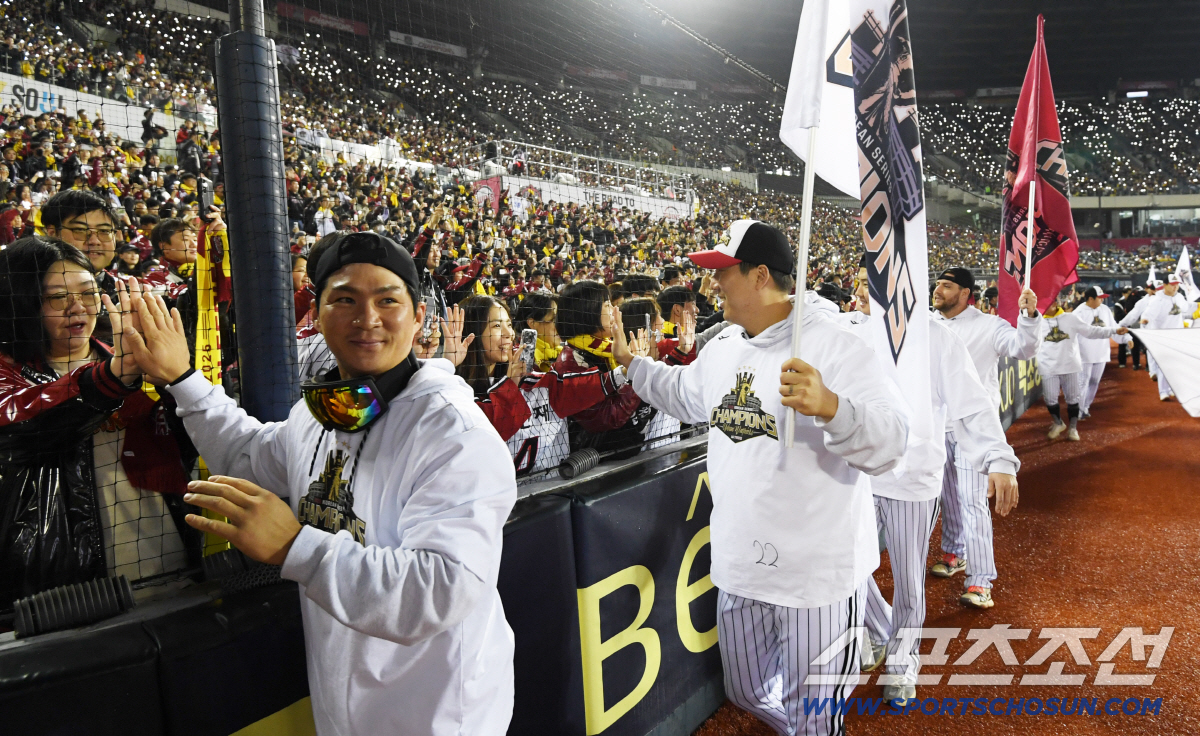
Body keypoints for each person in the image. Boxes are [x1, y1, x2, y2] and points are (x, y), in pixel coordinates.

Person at [125, 230, 518, 735]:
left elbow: (439, 589)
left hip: (440, 717)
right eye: (345, 300)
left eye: (387, 301)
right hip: (343, 709)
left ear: (419, 316)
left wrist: (294, 546)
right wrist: (183, 379)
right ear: (318, 313)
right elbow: (250, 455)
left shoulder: (455, 432)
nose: (367, 318)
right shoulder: (322, 412)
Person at [613, 220, 908, 735]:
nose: (712, 283)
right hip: (741, 566)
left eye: (723, 271)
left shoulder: (836, 345)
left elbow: (893, 442)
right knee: (746, 691)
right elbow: (684, 392)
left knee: (815, 718)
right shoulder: (725, 346)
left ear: (760, 275)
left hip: (815, 577)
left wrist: (832, 407)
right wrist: (631, 365)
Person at [848, 262, 1019, 705]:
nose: (861, 293)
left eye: (869, 285)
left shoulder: (937, 337)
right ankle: (880, 630)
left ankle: (902, 663)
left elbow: (972, 404)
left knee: (908, 581)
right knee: (846, 565)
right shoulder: (853, 332)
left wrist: (999, 457)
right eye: (861, 284)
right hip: (858, 477)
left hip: (912, 479)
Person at [0, 237, 198, 611]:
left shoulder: (131, 357)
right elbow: (20, 427)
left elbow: (187, 445)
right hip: (64, 577)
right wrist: (111, 378)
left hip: (163, 552)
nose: (78, 307)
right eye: (57, 297)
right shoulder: (9, 372)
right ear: (22, 302)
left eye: (88, 293)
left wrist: (176, 379)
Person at [929, 267, 1040, 609]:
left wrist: (1029, 316)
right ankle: (954, 552)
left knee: (972, 501)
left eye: (946, 285)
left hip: (975, 429)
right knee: (948, 498)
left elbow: (1023, 348)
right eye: (937, 284)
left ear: (965, 293)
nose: (937, 290)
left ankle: (980, 580)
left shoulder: (989, 326)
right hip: (936, 425)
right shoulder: (927, 325)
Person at [455, 294, 622, 475]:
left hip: (549, 486)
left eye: (509, 324)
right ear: (471, 331)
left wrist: (626, 370)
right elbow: (487, 434)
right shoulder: (453, 393)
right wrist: (510, 385)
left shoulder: (532, 379)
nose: (509, 333)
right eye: (496, 326)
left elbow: (569, 389)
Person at [554, 280, 648, 454]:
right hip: (597, 460)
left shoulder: (606, 348)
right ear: (588, 312)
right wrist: (632, 372)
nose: (614, 310)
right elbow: (607, 418)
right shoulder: (572, 362)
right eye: (607, 305)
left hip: (624, 450)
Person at [1037, 293, 1127, 439]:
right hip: (1048, 367)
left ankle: (1073, 428)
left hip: (1070, 365)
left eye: (1050, 302)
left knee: (1073, 400)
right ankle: (1058, 423)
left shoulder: (1070, 318)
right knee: (1050, 399)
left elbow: (1091, 331)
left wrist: (1114, 330)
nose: (1046, 306)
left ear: (1055, 303)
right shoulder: (1036, 322)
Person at [1128, 274, 1195, 400]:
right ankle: (1163, 391)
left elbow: (1186, 308)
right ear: (1165, 285)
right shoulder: (1157, 300)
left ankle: (1171, 388)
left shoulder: (1179, 297)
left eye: (1177, 284)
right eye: (1172, 284)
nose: (1175, 287)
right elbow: (1148, 314)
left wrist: (1196, 306)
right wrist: (1145, 320)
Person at [1072, 286, 1125, 418]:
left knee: (1095, 381)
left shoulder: (1105, 310)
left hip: (1101, 351)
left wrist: (1126, 339)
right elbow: (1072, 334)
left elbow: (1114, 326)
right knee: (1082, 382)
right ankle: (1078, 411)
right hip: (1084, 353)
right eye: (1099, 298)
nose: (1102, 300)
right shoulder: (1078, 313)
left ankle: (1086, 406)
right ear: (1090, 299)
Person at [513, 290, 561, 370]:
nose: (561, 326)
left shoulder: (563, 353)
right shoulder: (519, 358)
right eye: (554, 319)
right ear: (532, 323)